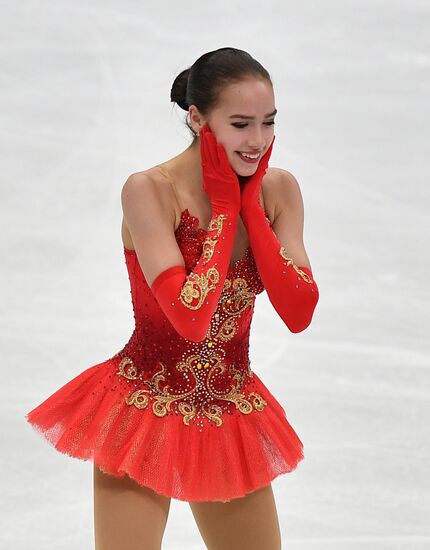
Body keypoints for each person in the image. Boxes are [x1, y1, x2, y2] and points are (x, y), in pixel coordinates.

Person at [25, 47, 319, 550]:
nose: (257, 141)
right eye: (241, 123)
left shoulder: (278, 191)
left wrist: (250, 206)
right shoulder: (149, 191)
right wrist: (226, 209)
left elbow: (299, 311)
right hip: (140, 411)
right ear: (198, 118)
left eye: (268, 123)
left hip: (230, 413)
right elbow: (190, 318)